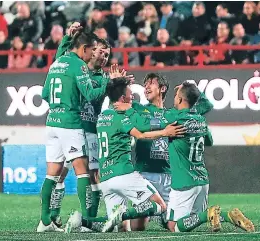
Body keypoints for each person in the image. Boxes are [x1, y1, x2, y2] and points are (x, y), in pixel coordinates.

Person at [63, 76, 184, 233]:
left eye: (150, 84)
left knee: (120, 228)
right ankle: (123, 214)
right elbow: (140, 134)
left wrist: (114, 81)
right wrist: (166, 132)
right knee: (160, 206)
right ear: (122, 97)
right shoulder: (123, 115)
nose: (133, 95)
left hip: (106, 178)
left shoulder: (103, 116)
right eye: (130, 93)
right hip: (124, 172)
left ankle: (82, 220)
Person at [115, 73, 213, 231]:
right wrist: (117, 82)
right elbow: (121, 104)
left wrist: (187, 86)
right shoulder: (139, 109)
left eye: (151, 83)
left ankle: (164, 218)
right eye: (145, 84)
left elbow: (205, 106)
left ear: (162, 88)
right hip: (146, 173)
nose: (146, 87)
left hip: (169, 175)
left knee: (171, 225)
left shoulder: (173, 114)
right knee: (138, 226)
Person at [37, 27, 108, 232]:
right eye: (92, 50)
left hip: (52, 122)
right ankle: (87, 220)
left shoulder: (57, 63)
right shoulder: (79, 65)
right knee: (82, 172)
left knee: (52, 174)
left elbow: (44, 93)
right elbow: (90, 94)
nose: (93, 54)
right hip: (70, 123)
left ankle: (45, 222)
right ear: (84, 48)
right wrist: (107, 83)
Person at [163, 82, 255, 233]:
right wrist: (194, 88)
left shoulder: (173, 116)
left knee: (174, 226)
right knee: (194, 218)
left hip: (183, 181)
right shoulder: (200, 120)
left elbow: (151, 121)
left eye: (176, 95)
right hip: (201, 180)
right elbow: (209, 140)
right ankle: (228, 215)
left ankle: (208, 214)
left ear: (180, 100)